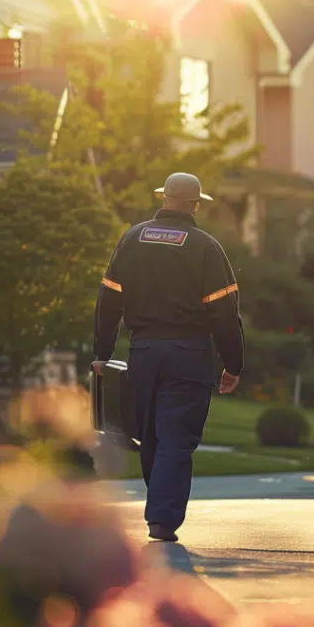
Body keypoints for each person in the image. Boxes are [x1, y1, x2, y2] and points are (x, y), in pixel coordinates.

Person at [92, 172, 244, 543]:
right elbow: (225, 314)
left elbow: (109, 300)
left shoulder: (132, 239)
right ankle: (161, 519)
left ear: (164, 199)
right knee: (176, 438)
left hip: (143, 353)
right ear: (195, 204)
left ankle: (159, 508)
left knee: (150, 436)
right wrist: (233, 363)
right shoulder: (206, 248)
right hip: (188, 356)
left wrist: (102, 353)